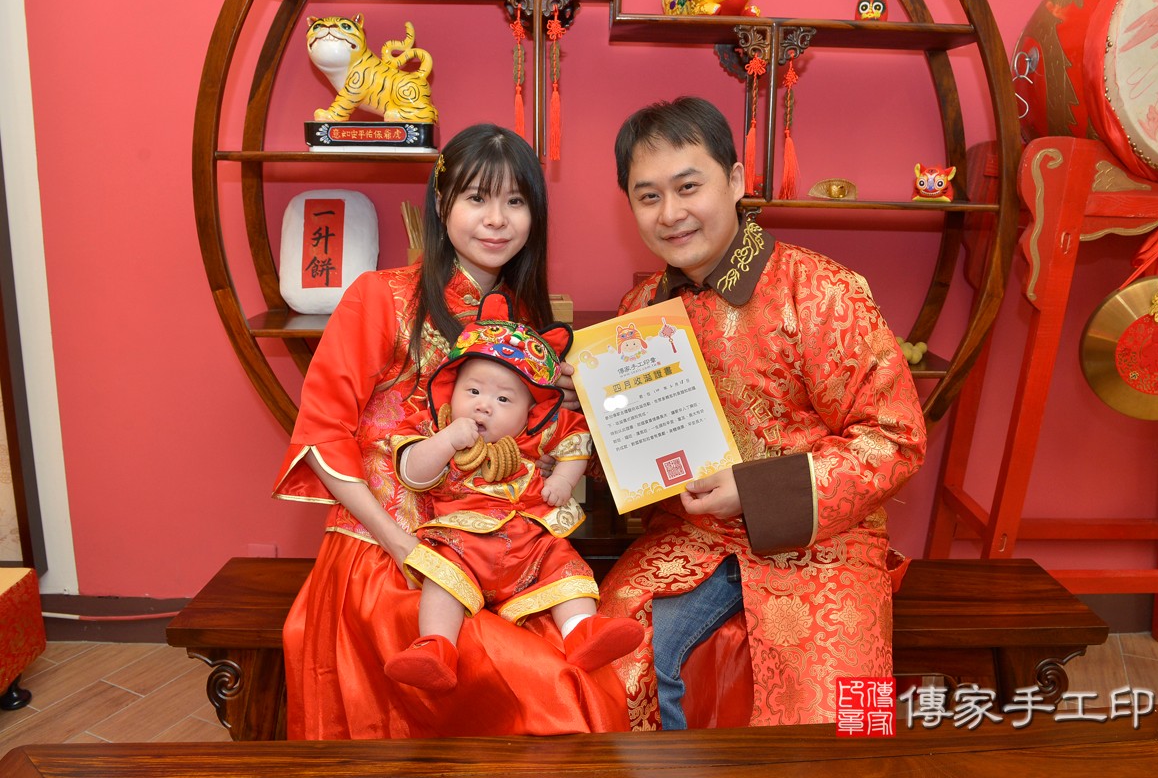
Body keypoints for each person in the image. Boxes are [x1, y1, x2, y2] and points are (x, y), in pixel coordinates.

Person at [272, 123, 628, 739]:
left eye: (515, 201)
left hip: (504, 550)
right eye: (477, 198)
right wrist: (401, 547)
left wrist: (568, 419)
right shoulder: (381, 297)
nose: (497, 220)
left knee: (589, 678)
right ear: (441, 203)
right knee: (546, 692)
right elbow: (323, 435)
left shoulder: (526, 321)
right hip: (389, 553)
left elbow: (533, 454)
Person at [596, 97, 928, 730]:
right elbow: (635, 456)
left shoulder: (822, 290)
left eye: (688, 187)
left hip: (823, 542)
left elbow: (896, 439)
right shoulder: (638, 311)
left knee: (842, 725)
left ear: (735, 179)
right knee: (605, 669)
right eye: (648, 196)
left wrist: (753, 491)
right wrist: (584, 414)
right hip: (689, 538)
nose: (670, 214)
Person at [382, 291, 643, 691]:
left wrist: (562, 480)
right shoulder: (438, 427)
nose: (484, 405)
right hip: (462, 543)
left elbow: (576, 444)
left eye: (503, 399)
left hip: (530, 544)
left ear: (528, 413)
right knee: (441, 578)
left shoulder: (531, 438)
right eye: (473, 391)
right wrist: (446, 440)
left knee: (565, 567)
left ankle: (582, 631)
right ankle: (436, 646)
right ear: (451, 388)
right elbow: (413, 474)